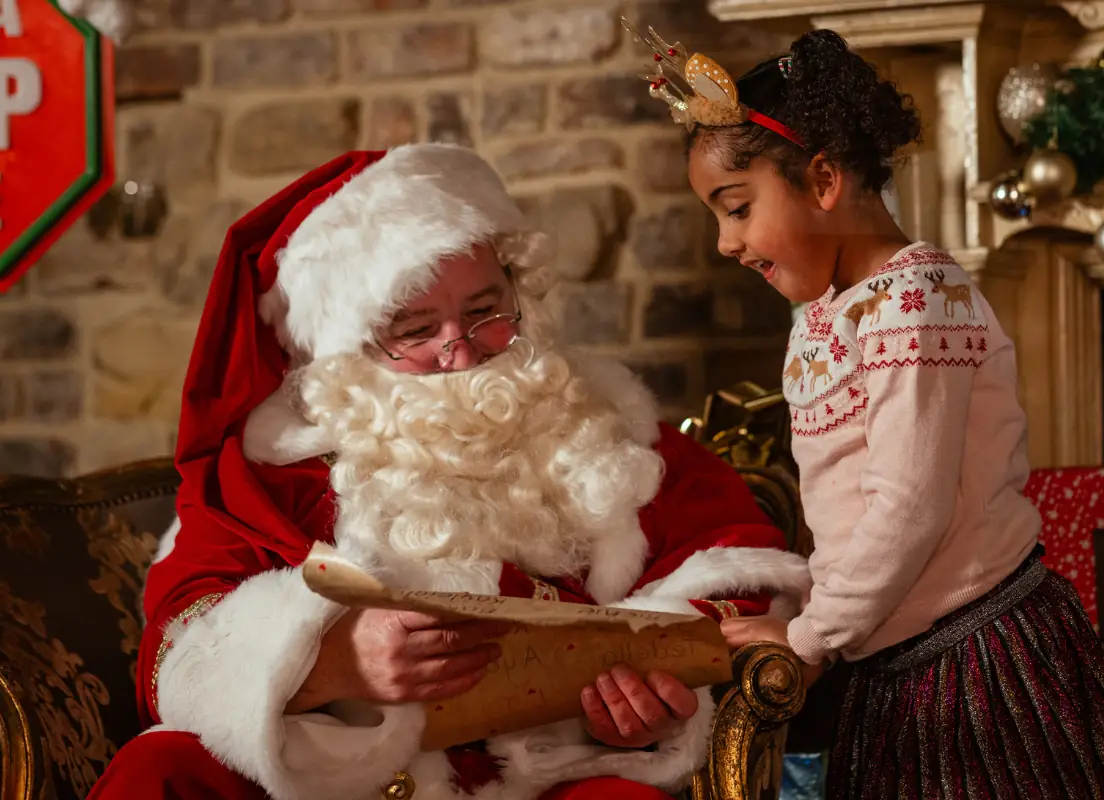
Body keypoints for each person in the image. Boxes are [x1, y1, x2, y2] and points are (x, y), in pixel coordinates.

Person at [87, 144, 810, 800]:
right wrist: (324, 664)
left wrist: (649, 700)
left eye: (485, 310)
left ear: (518, 288)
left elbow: (733, 568)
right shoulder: (275, 467)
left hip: (537, 774)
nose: (461, 352)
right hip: (330, 777)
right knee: (162, 771)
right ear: (344, 347)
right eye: (414, 331)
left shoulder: (603, 425)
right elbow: (177, 650)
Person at [638, 23, 1104, 799]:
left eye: (737, 208)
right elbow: (844, 507)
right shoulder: (823, 313)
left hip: (976, 659)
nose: (725, 242)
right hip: (891, 653)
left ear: (822, 181)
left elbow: (909, 506)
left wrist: (809, 640)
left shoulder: (915, 300)